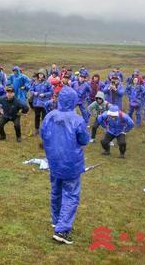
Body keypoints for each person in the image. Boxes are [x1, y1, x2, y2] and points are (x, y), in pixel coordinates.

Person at [40, 86, 88, 245]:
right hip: (71, 164)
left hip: (54, 161)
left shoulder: (50, 116)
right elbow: (84, 140)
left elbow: (43, 134)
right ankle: (62, 230)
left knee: (56, 190)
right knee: (71, 195)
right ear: (74, 101)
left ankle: (57, 220)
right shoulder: (77, 119)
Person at [30, 70, 53, 135]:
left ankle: (44, 129)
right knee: (37, 116)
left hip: (44, 103)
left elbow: (51, 92)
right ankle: (36, 129)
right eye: (39, 74)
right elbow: (31, 90)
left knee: (44, 117)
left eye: (41, 74)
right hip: (37, 103)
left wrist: (45, 94)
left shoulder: (47, 83)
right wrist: (34, 93)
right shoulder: (35, 83)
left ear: (44, 75)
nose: (40, 76)